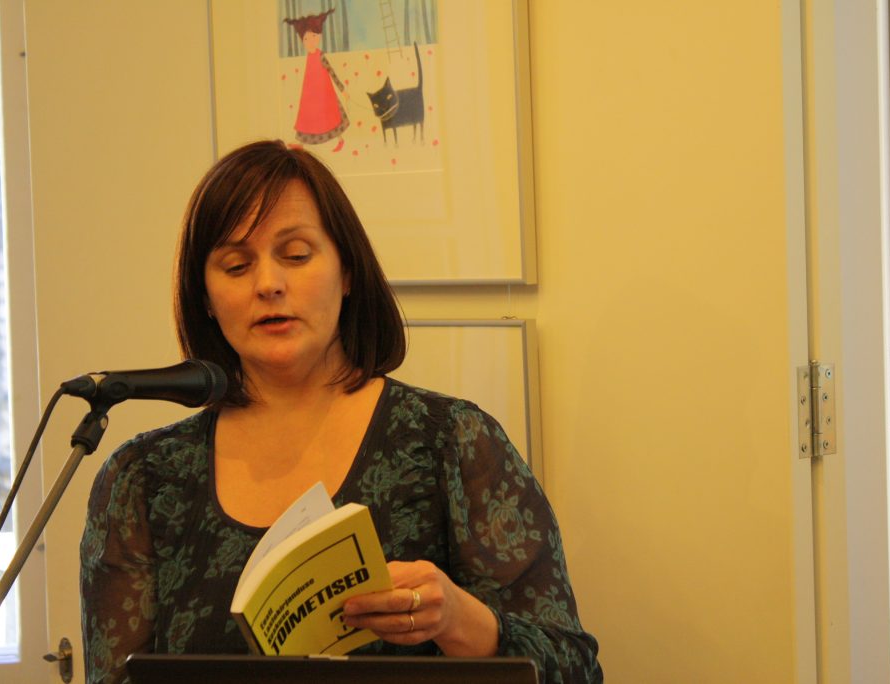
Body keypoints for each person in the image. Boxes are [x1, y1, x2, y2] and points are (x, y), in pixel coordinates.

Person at [79, 140, 603, 684]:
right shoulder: (143, 478)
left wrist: (458, 619)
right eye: (236, 265)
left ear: (347, 271)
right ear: (206, 298)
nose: (268, 284)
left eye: (296, 255)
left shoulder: (450, 442)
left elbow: (576, 670)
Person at [284, 9, 349, 152]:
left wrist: (342, 89)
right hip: (311, 96)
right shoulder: (309, 56)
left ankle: (340, 140)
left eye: (313, 36)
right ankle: (300, 143)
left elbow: (331, 72)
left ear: (319, 36)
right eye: (306, 39)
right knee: (306, 118)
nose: (310, 41)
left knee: (332, 116)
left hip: (325, 95)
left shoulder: (320, 56)